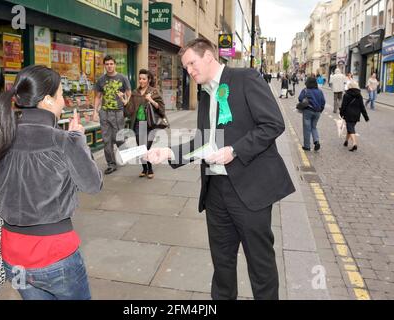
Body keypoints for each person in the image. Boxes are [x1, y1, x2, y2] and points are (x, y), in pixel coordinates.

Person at [146, 38, 295, 300]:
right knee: (222, 266)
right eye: (185, 67)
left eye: (191, 63)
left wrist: (235, 150)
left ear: (209, 57)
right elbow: (203, 141)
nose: (189, 71)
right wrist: (169, 152)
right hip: (216, 192)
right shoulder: (206, 94)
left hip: (250, 191)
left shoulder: (245, 78)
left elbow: (273, 124)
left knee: (261, 266)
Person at [0, 65, 103, 300]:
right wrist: (79, 140)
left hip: (13, 257)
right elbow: (93, 185)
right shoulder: (63, 140)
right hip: (56, 255)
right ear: (47, 100)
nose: (64, 101)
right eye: (61, 95)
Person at [123, 69, 165, 179]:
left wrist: (151, 100)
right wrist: (125, 103)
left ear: (149, 80)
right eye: (140, 78)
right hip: (138, 124)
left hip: (150, 124)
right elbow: (129, 112)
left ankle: (149, 168)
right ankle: (144, 168)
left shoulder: (153, 91)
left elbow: (161, 108)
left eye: (144, 79)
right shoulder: (135, 93)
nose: (141, 81)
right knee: (140, 147)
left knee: (146, 146)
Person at [93, 55, 132, 174]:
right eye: (107, 64)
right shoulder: (101, 79)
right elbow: (98, 96)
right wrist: (95, 111)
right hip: (104, 112)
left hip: (118, 112)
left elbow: (129, 92)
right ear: (104, 65)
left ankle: (124, 153)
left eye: (111, 64)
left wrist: (125, 100)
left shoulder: (122, 78)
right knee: (106, 140)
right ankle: (111, 164)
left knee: (118, 137)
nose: (109, 66)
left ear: (115, 64)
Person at [340, 81, 369, 151]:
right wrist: (366, 117)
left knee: (350, 128)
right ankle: (346, 141)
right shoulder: (359, 95)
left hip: (348, 114)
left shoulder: (346, 95)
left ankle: (354, 143)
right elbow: (362, 107)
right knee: (350, 127)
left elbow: (343, 106)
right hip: (356, 115)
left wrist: (341, 113)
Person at [298, 76, 326, 151]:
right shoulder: (320, 91)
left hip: (308, 111)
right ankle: (316, 141)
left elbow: (300, 98)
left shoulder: (305, 90)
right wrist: (320, 110)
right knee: (314, 127)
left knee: (307, 129)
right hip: (317, 112)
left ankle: (307, 146)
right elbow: (323, 102)